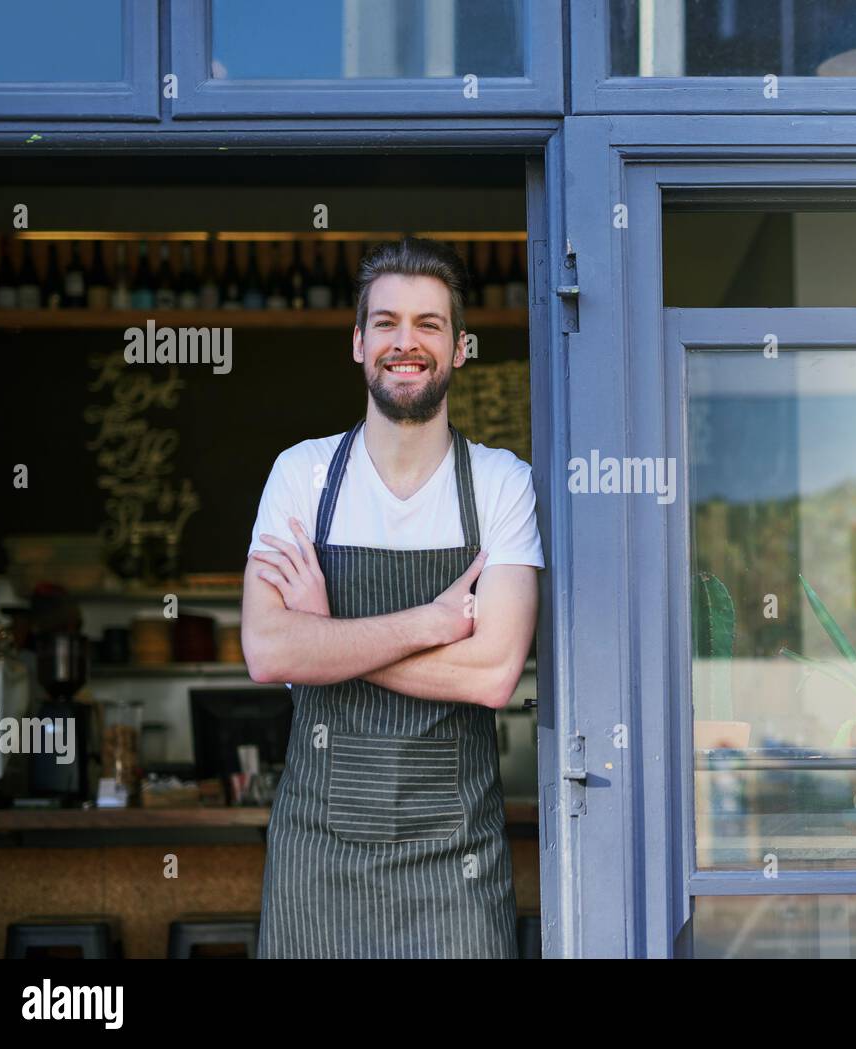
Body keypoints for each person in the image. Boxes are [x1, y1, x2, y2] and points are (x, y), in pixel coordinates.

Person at [241, 236, 542, 958]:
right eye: (386, 323)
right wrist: (432, 623)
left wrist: (329, 639)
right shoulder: (303, 476)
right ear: (357, 342)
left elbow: (492, 674)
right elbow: (267, 649)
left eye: (429, 324)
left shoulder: (502, 483)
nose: (406, 343)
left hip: (455, 865)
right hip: (320, 860)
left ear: (461, 346)